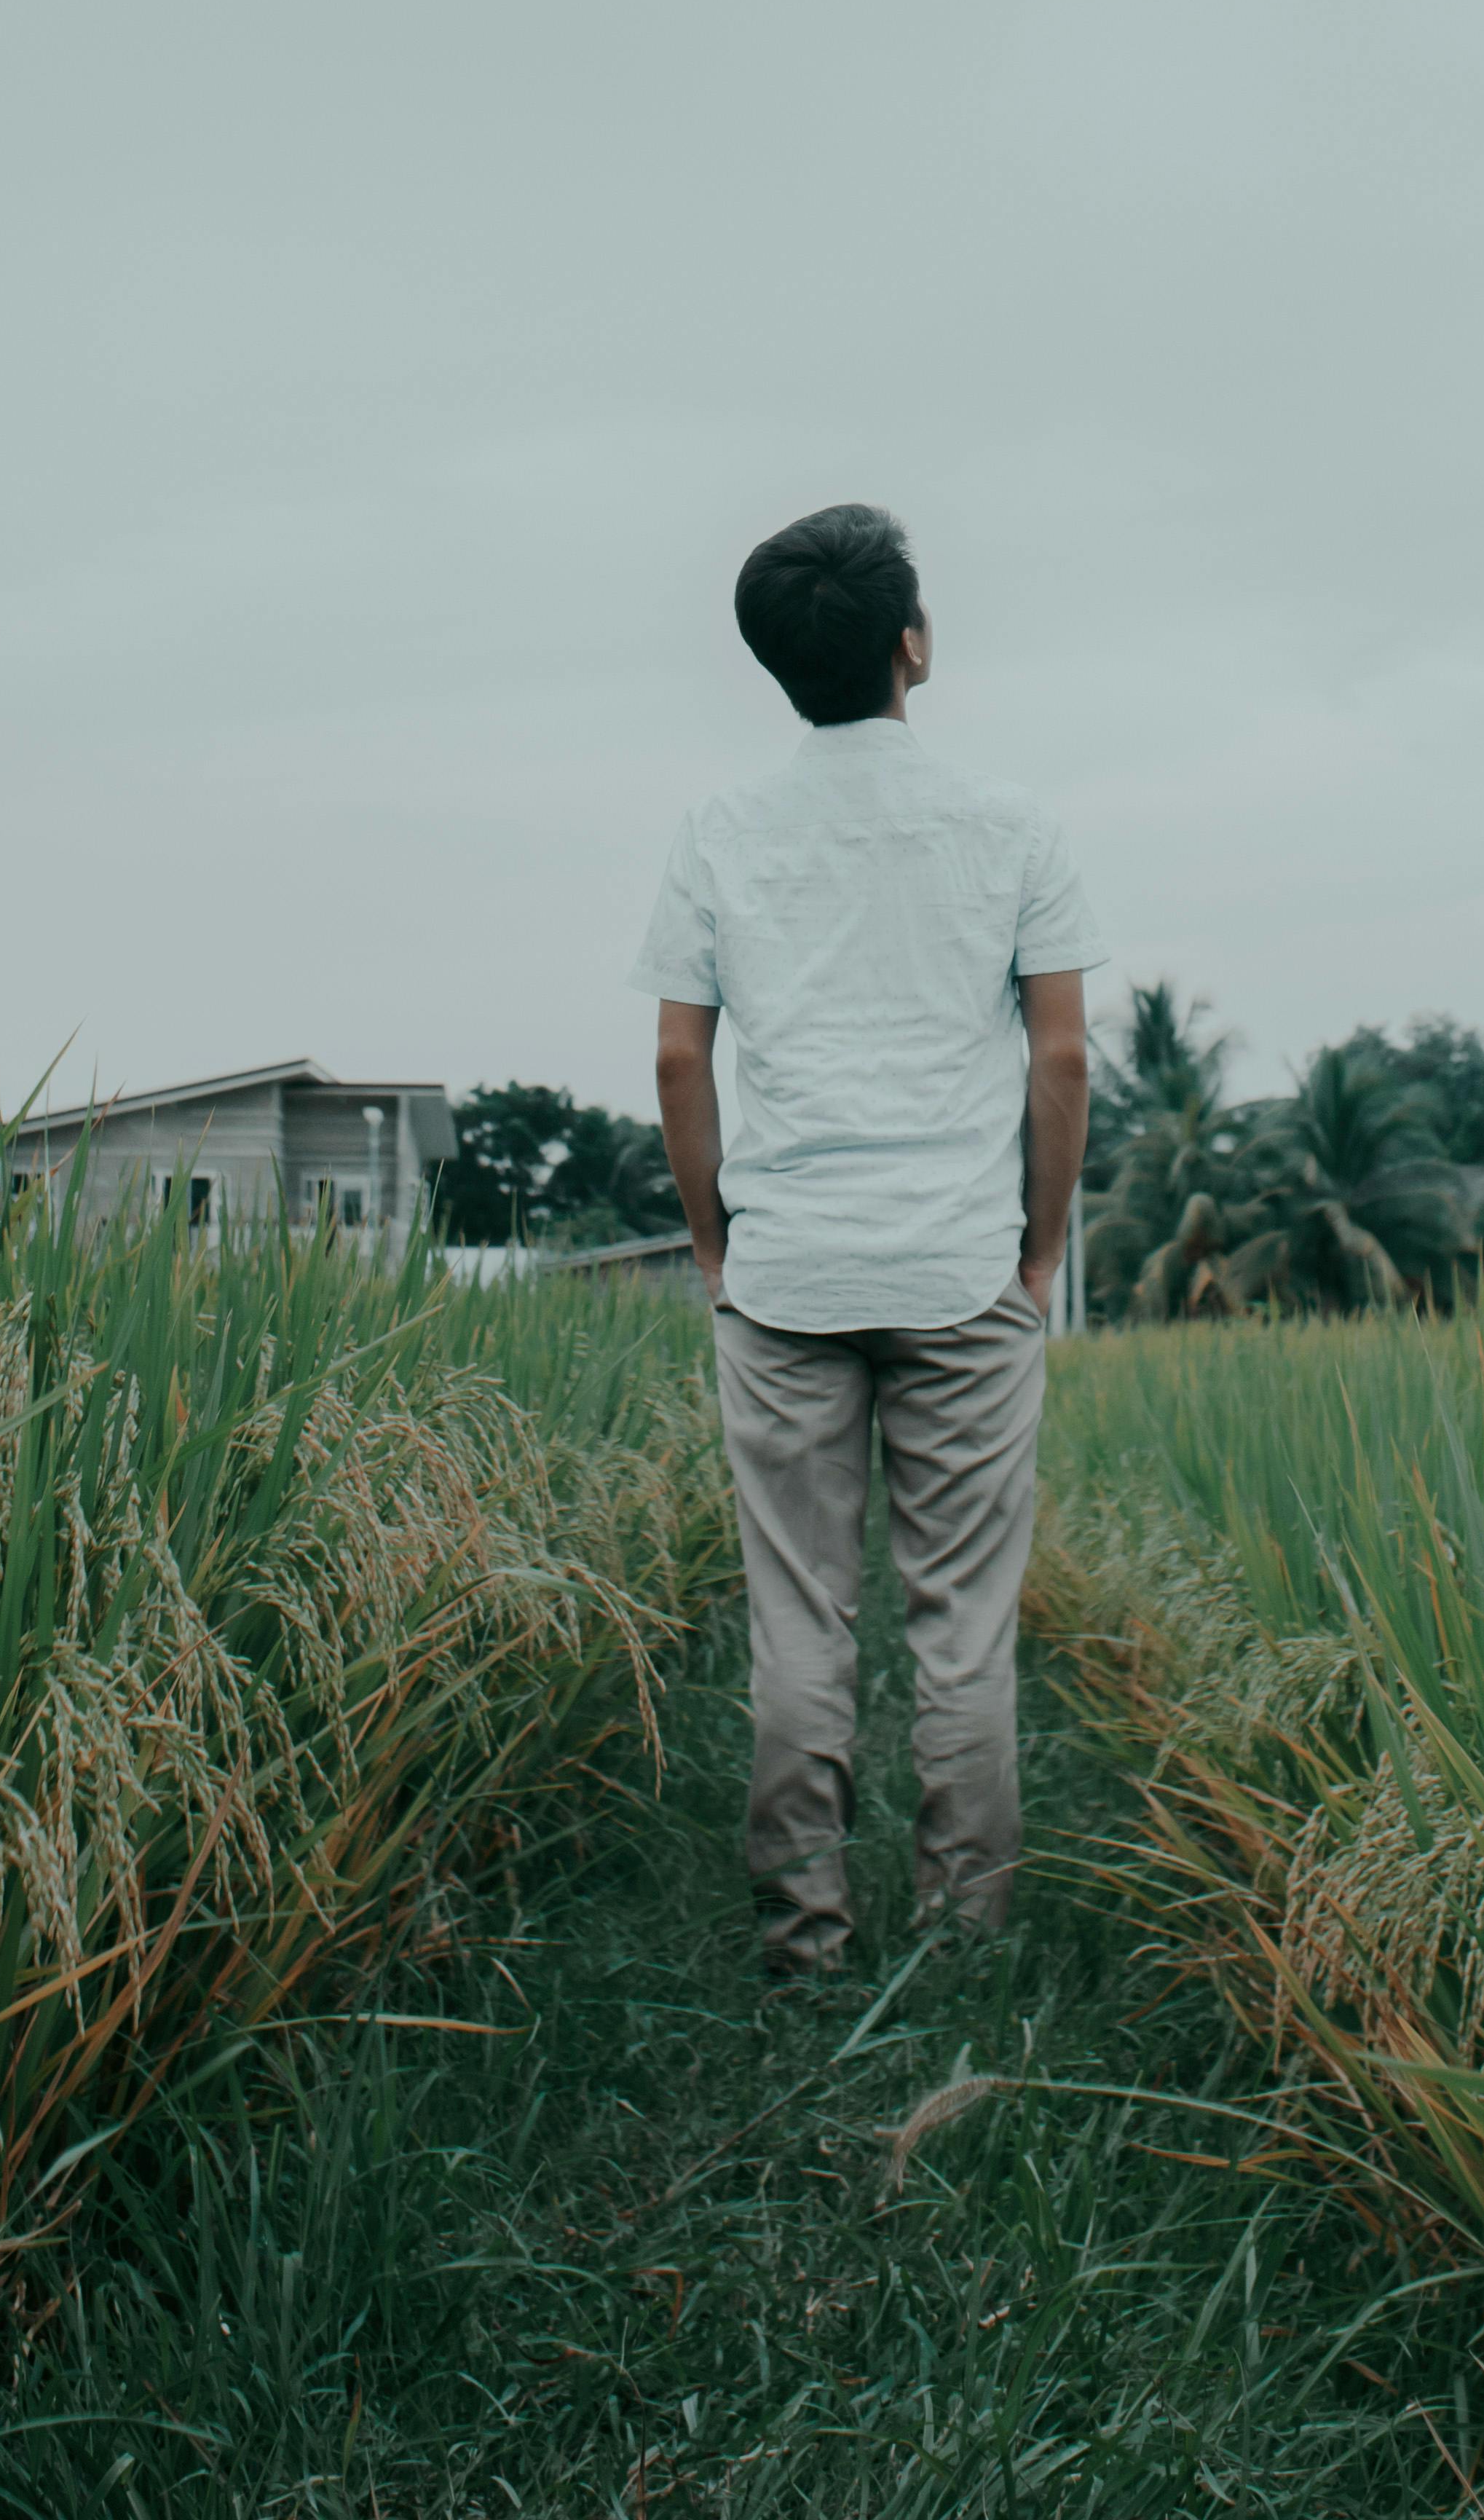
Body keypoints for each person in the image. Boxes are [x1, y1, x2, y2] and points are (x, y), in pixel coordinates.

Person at [634, 503, 1101, 1975]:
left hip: (784, 1273)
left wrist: (714, 1244)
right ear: (915, 645)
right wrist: (1035, 1251)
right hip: (961, 1265)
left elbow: (675, 1062)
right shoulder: (1013, 826)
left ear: (776, 665)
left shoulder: (718, 832)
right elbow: (1062, 1060)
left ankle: (804, 1934)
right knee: (959, 1626)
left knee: (799, 1615)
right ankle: (966, 1936)